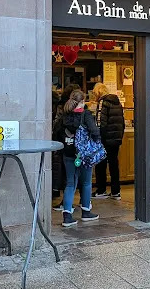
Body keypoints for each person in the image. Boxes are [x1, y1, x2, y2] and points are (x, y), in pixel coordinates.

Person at [52, 89, 100, 227]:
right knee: (86, 182)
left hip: (68, 154)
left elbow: (56, 134)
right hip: (83, 154)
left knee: (70, 183)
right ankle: (85, 211)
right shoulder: (86, 115)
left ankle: (67, 215)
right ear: (82, 102)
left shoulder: (64, 117)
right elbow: (95, 131)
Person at [91, 83, 125, 200]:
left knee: (101, 164)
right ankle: (116, 191)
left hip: (105, 139)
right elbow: (122, 122)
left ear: (98, 92)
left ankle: (101, 190)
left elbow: (101, 123)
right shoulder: (117, 102)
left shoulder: (103, 102)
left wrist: (98, 138)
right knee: (114, 164)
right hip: (116, 139)